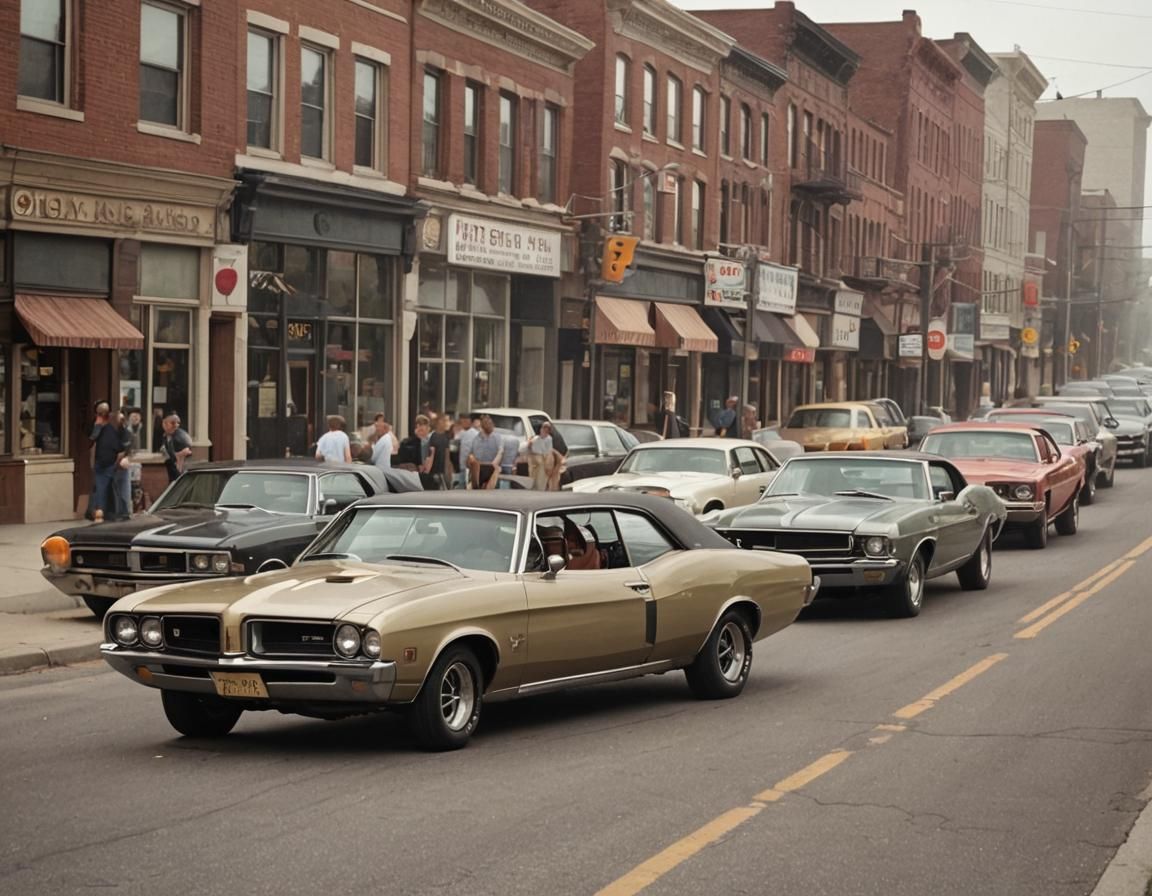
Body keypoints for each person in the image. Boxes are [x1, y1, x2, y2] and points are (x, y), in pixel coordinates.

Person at [89, 401, 131, 521]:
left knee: (119, 490)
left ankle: (123, 513)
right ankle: (102, 513)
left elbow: (125, 443)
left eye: (105, 412)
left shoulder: (115, 425)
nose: (103, 415)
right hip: (102, 465)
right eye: (100, 413)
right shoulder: (97, 426)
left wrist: (122, 457)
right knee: (102, 490)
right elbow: (91, 440)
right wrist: (98, 426)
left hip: (116, 463)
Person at [467, 414, 503, 489]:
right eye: (486, 423)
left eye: (490, 423)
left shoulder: (497, 437)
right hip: (479, 468)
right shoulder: (476, 439)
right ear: (482, 425)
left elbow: (500, 452)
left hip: (492, 467)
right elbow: (471, 454)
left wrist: (494, 464)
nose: (490, 425)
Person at [160, 414, 193, 482]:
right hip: (172, 471)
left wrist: (179, 455)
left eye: (178, 423)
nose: (176, 425)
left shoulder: (181, 437)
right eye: (172, 423)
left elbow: (185, 453)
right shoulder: (166, 436)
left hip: (180, 474)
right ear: (164, 423)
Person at [425, 415, 452, 490]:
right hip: (433, 470)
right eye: (444, 421)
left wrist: (448, 470)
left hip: (442, 471)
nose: (446, 423)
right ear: (438, 423)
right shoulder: (432, 436)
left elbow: (447, 455)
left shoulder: (446, 437)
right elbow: (429, 454)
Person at [527, 421, 556, 490]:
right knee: (532, 477)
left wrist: (547, 463)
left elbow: (548, 452)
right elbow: (529, 447)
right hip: (533, 458)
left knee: (541, 478)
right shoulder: (535, 438)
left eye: (547, 428)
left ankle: (540, 490)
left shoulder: (549, 439)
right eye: (543, 427)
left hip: (542, 459)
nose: (545, 429)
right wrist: (530, 444)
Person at [456, 414, 482, 488]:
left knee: (466, 484)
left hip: (467, 465)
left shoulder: (472, 433)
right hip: (465, 465)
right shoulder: (463, 433)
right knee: (464, 484)